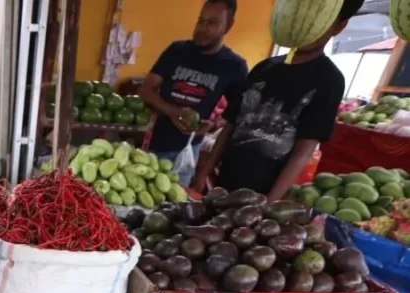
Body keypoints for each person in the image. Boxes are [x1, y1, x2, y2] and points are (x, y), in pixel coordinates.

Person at [193, 0, 365, 200]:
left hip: (262, 196)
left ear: (339, 27)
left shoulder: (330, 80)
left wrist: (270, 203)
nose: (306, 25)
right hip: (223, 185)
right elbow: (231, 125)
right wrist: (204, 173)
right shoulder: (264, 68)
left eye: (320, 21)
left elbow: (303, 152)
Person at [140, 0, 248, 186]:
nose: (203, 28)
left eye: (212, 22)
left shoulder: (234, 66)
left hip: (187, 153)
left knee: (176, 201)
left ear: (228, 25)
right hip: (152, 146)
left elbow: (237, 116)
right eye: (201, 20)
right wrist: (175, 112)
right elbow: (145, 91)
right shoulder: (176, 51)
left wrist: (214, 124)